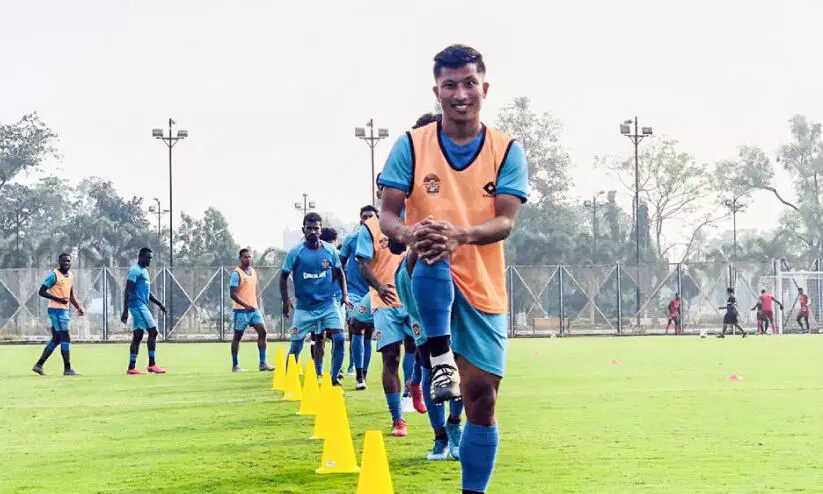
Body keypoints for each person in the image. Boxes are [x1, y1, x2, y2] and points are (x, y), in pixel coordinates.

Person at [378, 45, 528, 493]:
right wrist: (410, 234)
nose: (460, 94)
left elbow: (505, 221)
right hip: (424, 274)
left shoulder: (506, 150)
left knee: (483, 398)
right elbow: (388, 214)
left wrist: (460, 234)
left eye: (468, 84)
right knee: (429, 243)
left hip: (482, 283)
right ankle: (439, 357)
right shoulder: (410, 144)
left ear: (484, 87)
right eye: (450, 85)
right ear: (436, 91)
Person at [397, 236, 465, 460]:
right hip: (414, 280)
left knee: (461, 362)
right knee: (431, 362)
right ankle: (440, 437)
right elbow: (396, 241)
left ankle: (454, 424)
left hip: (454, 274)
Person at [356, 214, 418, 436]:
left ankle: (415, 385)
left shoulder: (416, 216)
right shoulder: (370, 228)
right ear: (381, 193)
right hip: (385, 301)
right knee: (391, 358)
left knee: (424, 351)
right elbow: (362, 264)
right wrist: (379, 287)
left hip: (414, 298)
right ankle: (398, 419)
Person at [280, 213, 351, 384]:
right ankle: (290, 380)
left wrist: (345, 294)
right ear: (303, 229)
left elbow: (340, 272)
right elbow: (283, 276)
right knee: (296, 345)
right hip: (304, 307)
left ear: (320, 230)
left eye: (316, 228)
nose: (312, 231)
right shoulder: (296, 253)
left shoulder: (330, 250)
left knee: (340, 338)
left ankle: (334, 379)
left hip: (328, 304)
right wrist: (285, 300)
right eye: (309, 228)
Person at [340, 206, 379, 390]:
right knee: (357, 328)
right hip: (354, 294)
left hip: (373, 292)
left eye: (371, 216)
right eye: (364, 217)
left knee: (369, 332)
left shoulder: (384, 240)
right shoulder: (351, 239)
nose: (368, 220)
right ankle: (358, 374)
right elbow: (338, 266)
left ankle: (364, 373)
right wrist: (341, 291)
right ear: (360, 220)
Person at [32, 253, 85, 376]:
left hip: (64, 310)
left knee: (56, 339)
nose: (66, 263)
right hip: (56, 310)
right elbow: (41, 291)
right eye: (64, 261)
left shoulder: (70, 275)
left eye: (68, 261)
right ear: (59, 262)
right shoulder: (54, 275)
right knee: (65, 337)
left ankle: (39, 365)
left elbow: (70, 295)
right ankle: (68, 369)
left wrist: (78, 307)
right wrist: (58, 299)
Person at [121, 247, 168, 374]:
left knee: (138, 336)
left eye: (151, 258)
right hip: (137, 305)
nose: (150, 260)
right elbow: (127, 290)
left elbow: (147, 292)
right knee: (153, 331)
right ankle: (152, 364)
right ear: (141, 257)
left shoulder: (144, 271)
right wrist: (125, 311)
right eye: (148, 257)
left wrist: (159, 304)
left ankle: (131, 368)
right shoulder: (135, 270)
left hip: (141, 304)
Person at [229, 248, 274, 372]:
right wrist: (245, 305)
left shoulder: (253, 272)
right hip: (241, 311)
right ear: (240, 258)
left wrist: (255, 305)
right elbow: (232, 294)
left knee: (263, 332)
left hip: (254, 310)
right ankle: (235, 365)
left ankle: (263, 363)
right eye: (245, 257)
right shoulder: (236, 273)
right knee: (237, 337)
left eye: (249, 257)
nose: (247, 259)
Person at [320, 227, 346, 380]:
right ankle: (321, 369)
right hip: (323, 301)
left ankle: (334, 369)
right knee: (323, 337)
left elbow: (342, 275)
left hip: (334, 302)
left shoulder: (336, 256)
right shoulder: (322, 256)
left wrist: (345, 294)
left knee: (335, 337)